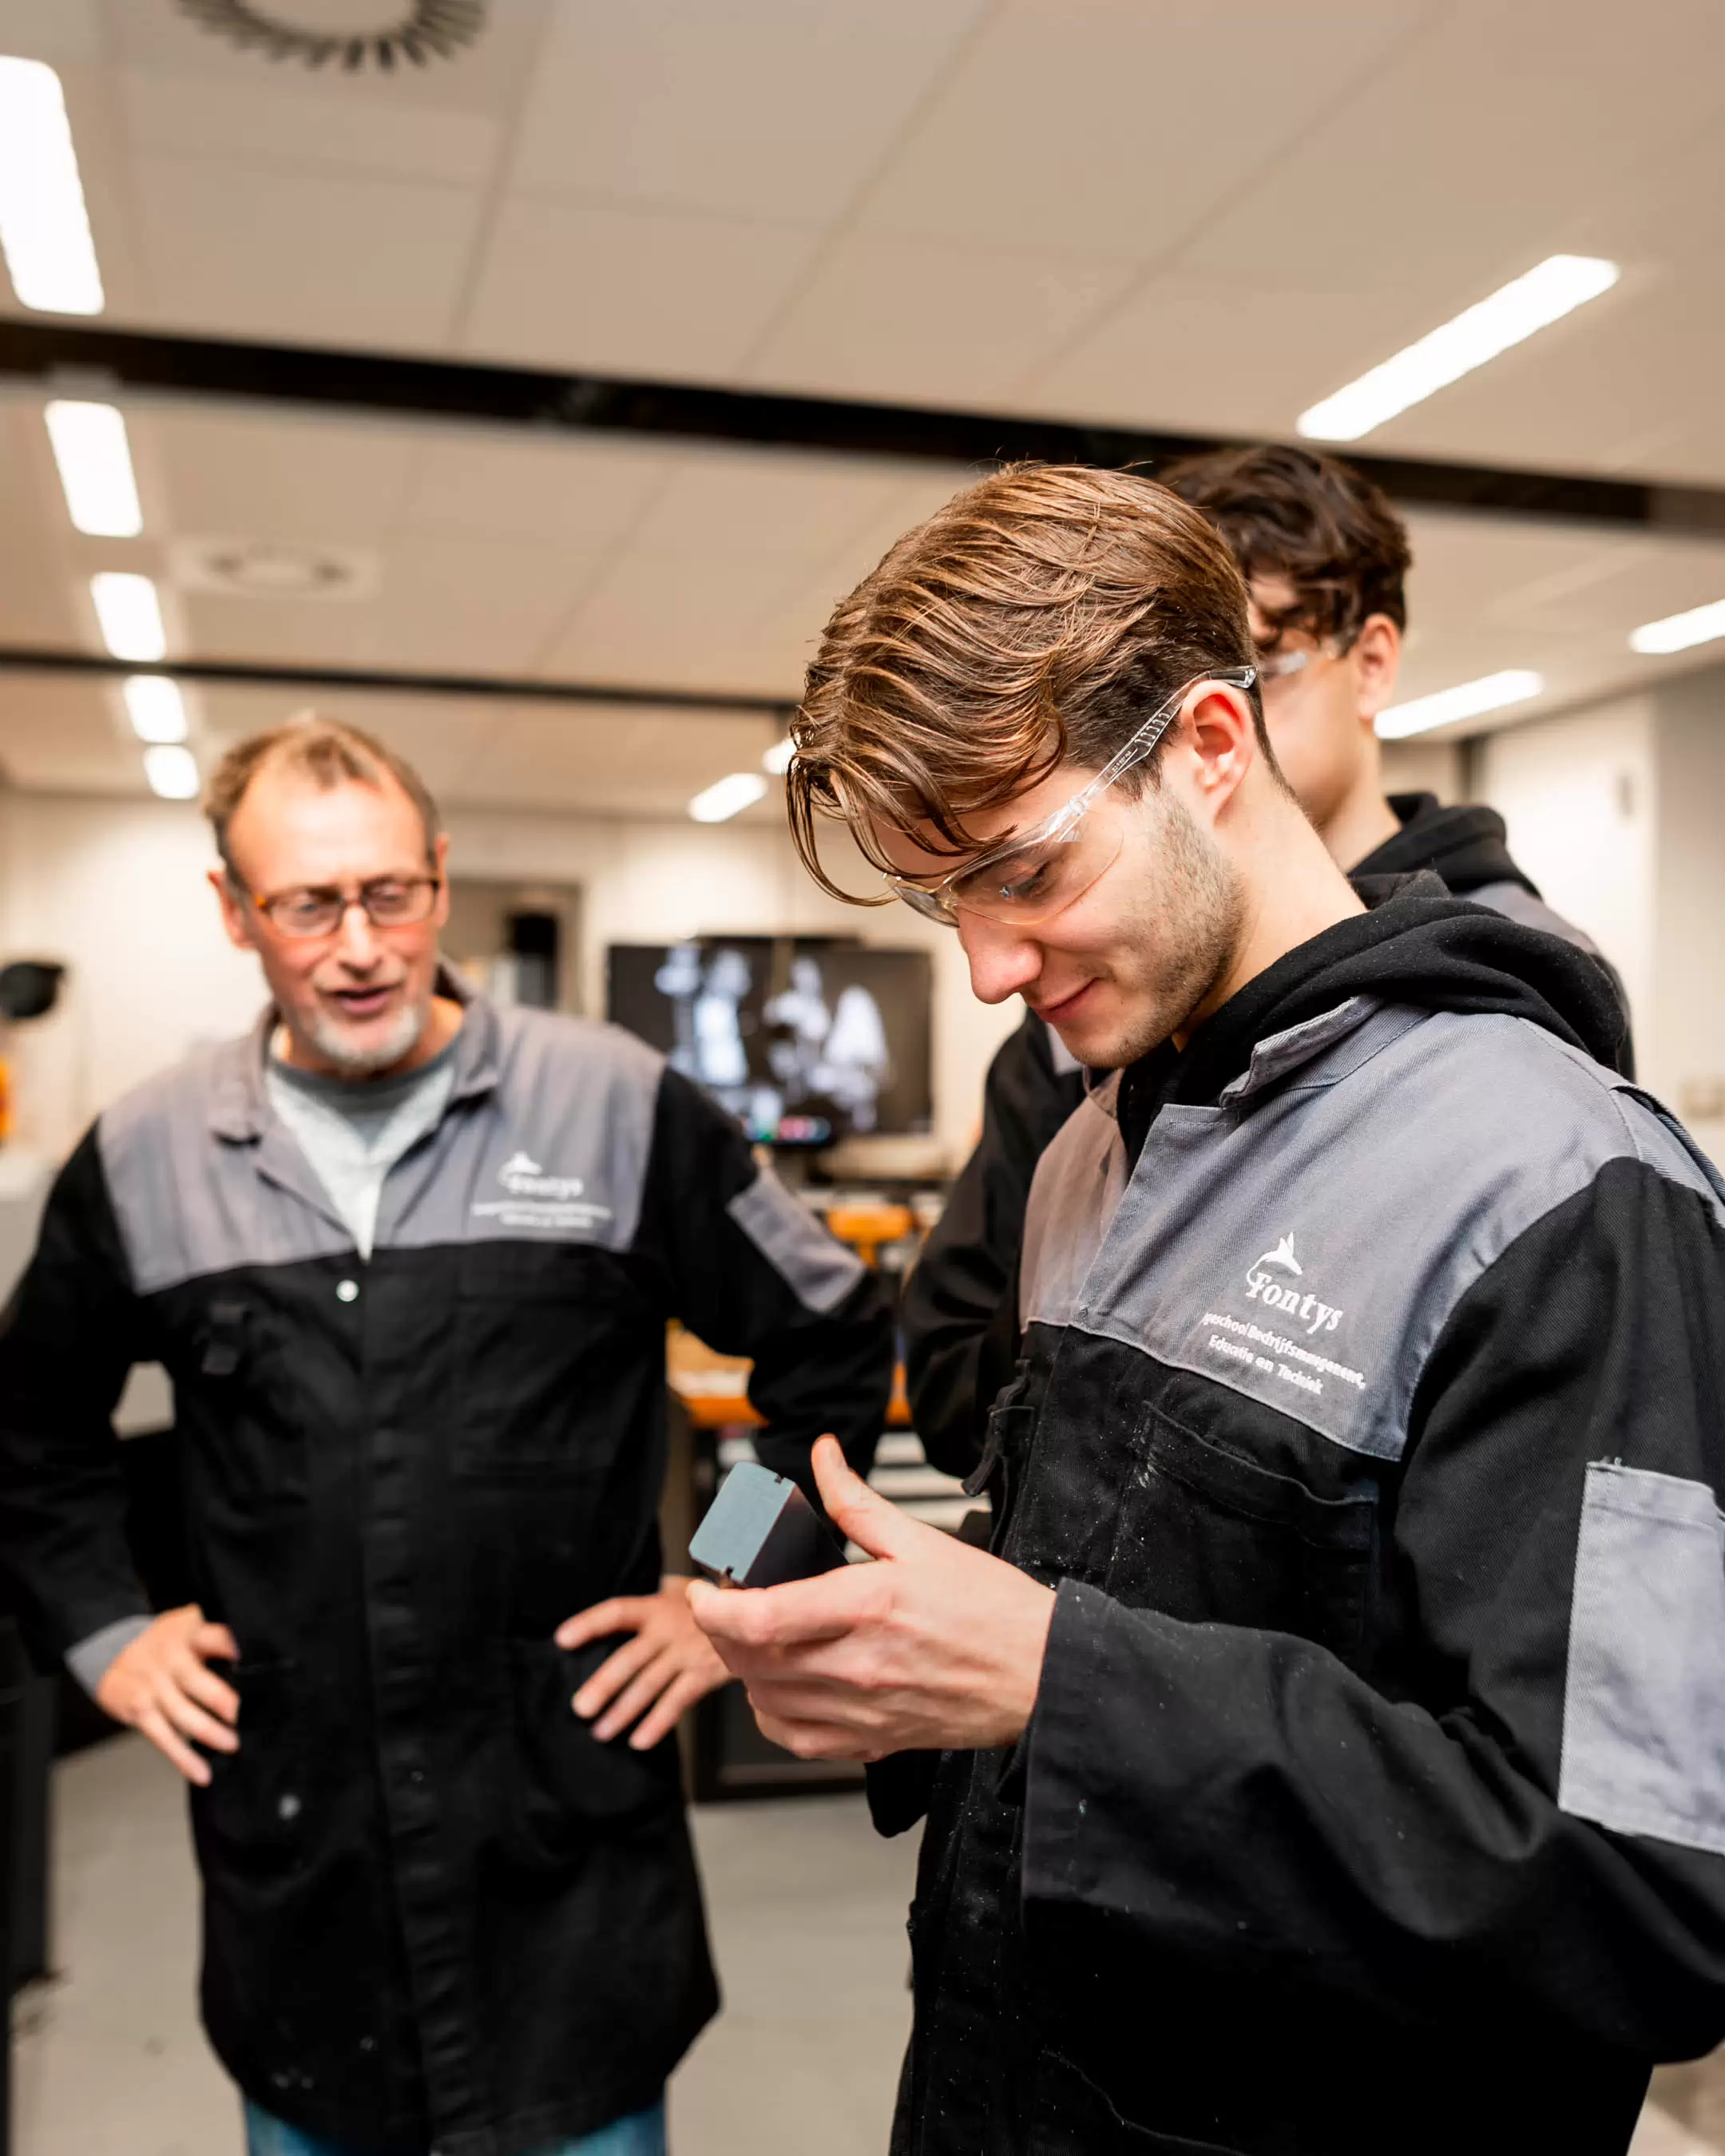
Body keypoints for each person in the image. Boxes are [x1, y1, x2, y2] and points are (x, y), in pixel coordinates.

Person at [689, 465, 1725, 2155]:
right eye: (943, 899)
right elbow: (1120, 1631)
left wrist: (1052, 1680)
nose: (988, 969)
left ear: (1213, 749)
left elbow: (1642, 1891)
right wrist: (909, 1673)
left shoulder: (1562, 1193)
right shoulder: (1093, 1151)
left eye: (1024, 869)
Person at [0, 718, 894, 2156]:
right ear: (235, 913)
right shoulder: (145, 1155)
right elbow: (31, 1424)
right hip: (301, 1865)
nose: (359, 945)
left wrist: (721, 1591)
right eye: (307, 904)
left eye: (391, 894)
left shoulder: (615, 1104)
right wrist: (106, 1629)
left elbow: (831, 1343)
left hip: (565, 1858)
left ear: (440, 878)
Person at [903, 441, 1632, 1476]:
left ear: (1369, 663)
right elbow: (965, 1364)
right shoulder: (1087, 978)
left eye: (1257, 662)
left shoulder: (1522, 1020)